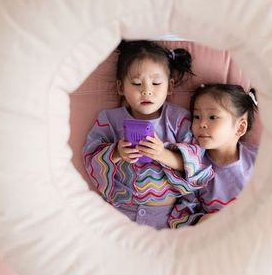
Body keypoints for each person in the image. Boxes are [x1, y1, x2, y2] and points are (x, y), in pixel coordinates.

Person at [83, 40, 213, 229]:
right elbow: (90, 156)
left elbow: (197, 158)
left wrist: (163, 154)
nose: (146, 91)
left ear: (169, 86)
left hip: (171, 216)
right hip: (122, 212)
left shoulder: (178, 119)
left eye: (156, 83)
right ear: (121, 88)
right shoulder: (109, 120)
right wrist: (117, 153)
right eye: (136, 83)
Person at [170, 83, 258, 226]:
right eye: (197, 116)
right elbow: (180, 214)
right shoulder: (194, 167)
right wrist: (201, 220)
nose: (202, 123)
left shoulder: (258, 159)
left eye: (212, 117)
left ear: (240, 127)